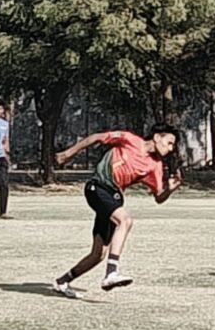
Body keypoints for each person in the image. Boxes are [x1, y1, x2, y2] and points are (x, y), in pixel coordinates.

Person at [51, 123, 182, 298]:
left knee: (98, 254)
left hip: (115, 197)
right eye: (169, 142)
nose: (171, 148)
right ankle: (111, 273)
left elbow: (158, 197)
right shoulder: (129, 139)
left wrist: (170, 189)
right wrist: (68, 153)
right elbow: (97, 137)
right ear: (157, 137)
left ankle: (62, 281)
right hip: (98, 187)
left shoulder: (155, 166)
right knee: (125, 220)